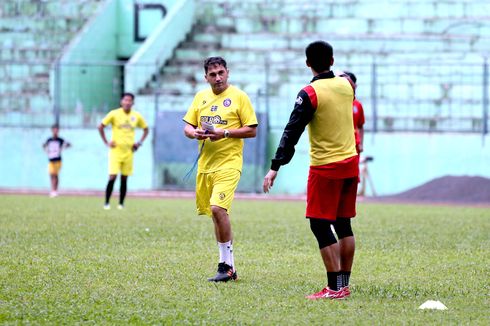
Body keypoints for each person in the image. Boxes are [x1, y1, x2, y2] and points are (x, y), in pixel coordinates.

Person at [263, 41, 358, 300]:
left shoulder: (309, 93)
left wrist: (275, 167)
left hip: (325, 167)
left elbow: (292, 131)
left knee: (319, 223)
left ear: (307, 63)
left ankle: (334, 288)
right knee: (343, 223)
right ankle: (343, 284)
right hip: (350, 162)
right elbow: (342, 79)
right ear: (333, 60)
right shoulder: (347, 85)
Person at [183, 56, 258, 282]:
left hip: (229, 163)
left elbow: (252, 130)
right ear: (206, 77)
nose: (218, 78)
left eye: (221, 73)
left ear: (228, 72)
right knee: (215, 215)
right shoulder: (201, 97)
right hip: (206, 166)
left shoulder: (239, 97)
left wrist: (223, 133)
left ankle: (225, 266)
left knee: (217, 209)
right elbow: (188, 125)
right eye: (213, 74)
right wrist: (194, 133)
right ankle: (228, 267)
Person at [98, 92, 149, 210]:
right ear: (121, 101)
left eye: (129, 100)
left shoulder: (136, 116)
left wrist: (139, 143)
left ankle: (121, 204)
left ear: (133, 102)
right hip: (115, 151)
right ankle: (106, 203)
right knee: (112, 177)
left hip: (129, 151)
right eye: (125, 100)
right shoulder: (114, 114)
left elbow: (146, 129)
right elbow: (100, 126)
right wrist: (106, 142)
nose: (127, 102)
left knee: (124, 178)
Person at [43, 124, 71, 197]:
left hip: (57, 160)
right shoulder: (49, 140)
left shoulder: (60, 140)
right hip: (51, 160)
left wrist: (62, 148)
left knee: (55, 175)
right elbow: (44, 145)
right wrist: (47, 150)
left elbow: (68, 144)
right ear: (52, 130)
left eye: (57, 129)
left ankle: (55, 190)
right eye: (54, 129)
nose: (55, 131)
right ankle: (52, 190)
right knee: (51, 175)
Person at [344, 71, 365, 155]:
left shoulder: (357, 105)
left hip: (354, 145)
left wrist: (361, 144)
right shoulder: (336, 103)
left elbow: (360, 126)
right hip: (339, 145)